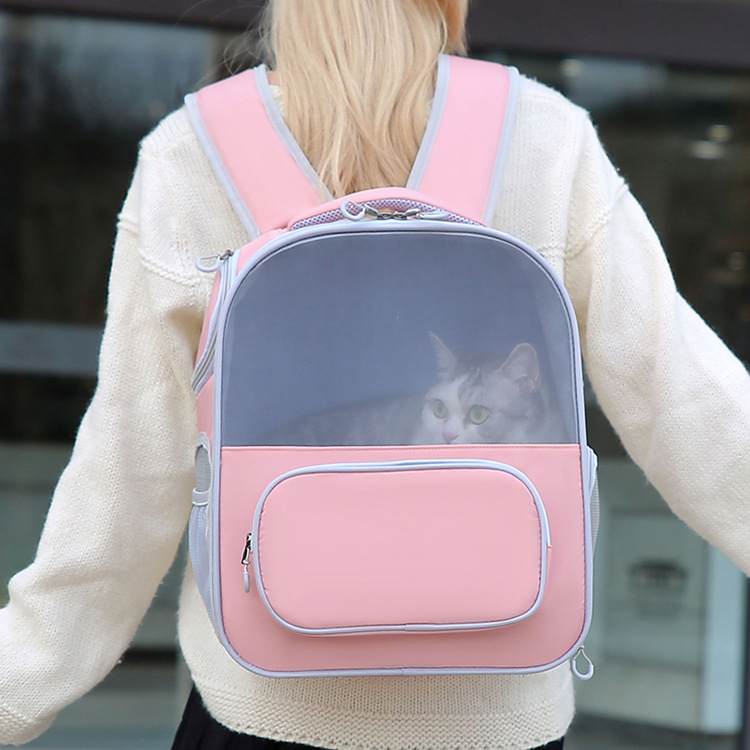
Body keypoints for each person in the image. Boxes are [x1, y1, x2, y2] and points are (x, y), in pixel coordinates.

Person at [2, 1, 750, 749]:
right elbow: (684, 401)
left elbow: (127, 474)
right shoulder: (545, 137)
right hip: (494, 717)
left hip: (265, 708)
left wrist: (18, 688)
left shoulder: (190, 154)